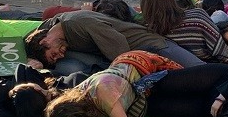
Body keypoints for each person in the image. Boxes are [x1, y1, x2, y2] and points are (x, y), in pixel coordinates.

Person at [45, 51, 183, 117]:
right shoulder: (76, 97)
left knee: (182, 86)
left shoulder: (103, 95)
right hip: (118, 70)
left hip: (139, 64)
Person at [25, 10, 204, 72]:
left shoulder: (77, 22)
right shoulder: (51, 25)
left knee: (200, 70)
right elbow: (26, 39)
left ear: (45, 42)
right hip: (139, 54)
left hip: (152, 46)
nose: (60, 55)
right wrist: (26, 60)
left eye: (54, 54)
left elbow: (119, 45)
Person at [139, 0, 228, 64]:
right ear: (170, 0)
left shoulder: (151, 30)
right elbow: (221, 49)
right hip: (215, 66)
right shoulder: (197, 16)